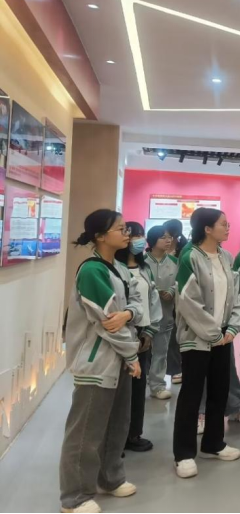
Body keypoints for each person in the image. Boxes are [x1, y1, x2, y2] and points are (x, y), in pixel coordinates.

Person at [59, 210, 142, 514]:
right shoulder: (92, 271)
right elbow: (107, 322)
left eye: (126, 228)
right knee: (85, 432)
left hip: (119, 359)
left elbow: (136, 305)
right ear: (100, 236)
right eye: (120, 229)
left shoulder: (119, 268)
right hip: (97, 363)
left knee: (117, 425)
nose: (127, 234)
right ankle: (75, 497)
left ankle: (110, 477)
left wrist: (129, 313)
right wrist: (132, 354)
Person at [173, 208, 240, 480]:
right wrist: (214, 334)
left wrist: (232, 327)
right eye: (223, 224)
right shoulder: (190, 257)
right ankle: (183, 453)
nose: (228, 227)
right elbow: (188, 301)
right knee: (191, 395)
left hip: (223, 336)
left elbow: (235, 296)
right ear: (207, 229)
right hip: (197, 338)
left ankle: (213, 443)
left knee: (219, 390)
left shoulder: (226, 257)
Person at [115, 223, 162, 453]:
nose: (138, 240)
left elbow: (153, 302)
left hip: (143, 335)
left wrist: (150, 332)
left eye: (141, 235)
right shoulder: (115, 269)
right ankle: (116, 438)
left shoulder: (145, 269)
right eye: (134, 235)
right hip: (122, 336)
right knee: (119, 391)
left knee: (137, 388)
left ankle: (133, 433)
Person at [145, 226, 177, 401]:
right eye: (163, 237)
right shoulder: (142, 261)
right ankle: (139, 380)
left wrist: (171, 290)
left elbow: (179, 283)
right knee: (140, 351)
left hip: (165, 314)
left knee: (161, 352)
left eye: (169, 237)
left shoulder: (174, 261)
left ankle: (157, 386)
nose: (168, 240)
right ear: (153, 240)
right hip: (143, 316)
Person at [163, 219, 187, 385]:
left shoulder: (183, 252)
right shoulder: (157, 251)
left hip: (178, 300)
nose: (166, 239)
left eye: (168, 235)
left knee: (175, 337)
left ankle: (177, 369)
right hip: (162, 301)